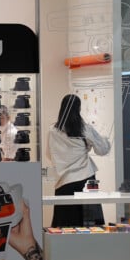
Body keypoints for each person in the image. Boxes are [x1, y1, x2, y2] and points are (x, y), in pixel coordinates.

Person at [47, 93, 111, 228]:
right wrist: (104, 140)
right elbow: (103, 150)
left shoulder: (53, 131)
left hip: (64, 181)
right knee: (90, 224)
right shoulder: (85, 129)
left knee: (65, 225)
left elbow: (49, 154)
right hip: (86, 177)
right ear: (79, 108)